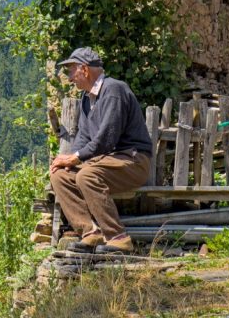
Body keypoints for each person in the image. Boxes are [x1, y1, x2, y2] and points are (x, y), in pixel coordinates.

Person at [49, 47, 152, 254]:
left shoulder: (114, 90)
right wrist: (68, 160)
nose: (70, 79)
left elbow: (107, 138)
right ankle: (90, 233)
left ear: (84, 70)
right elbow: (84, 137)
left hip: (133, 161)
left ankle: (118, 238)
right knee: (60, 176)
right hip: (108, 162)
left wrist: (75, 158)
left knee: (87, 175)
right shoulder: (88, 99)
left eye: (71, 71)